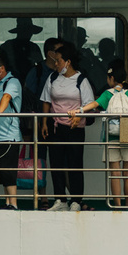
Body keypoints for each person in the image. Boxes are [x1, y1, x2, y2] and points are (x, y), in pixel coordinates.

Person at [40, 48, 97, 210]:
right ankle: (60, 200)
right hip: (56, 127)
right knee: (56, 163)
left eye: (58, 60)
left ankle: (76, 201)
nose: (55, 64)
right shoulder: (52, 78)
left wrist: (79, 115)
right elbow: (46, 101)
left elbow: (89, 104)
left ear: (68, 62)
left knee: (75, 164)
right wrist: (44, 122)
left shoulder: (81, 80)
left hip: (75, 127)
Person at [84, 67, 128, 207]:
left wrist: (78, 110)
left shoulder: (108, 94)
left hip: (112, 136)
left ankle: (117, 206)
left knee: (115, 173)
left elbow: (94, 104)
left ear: (111, 78)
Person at [0, 54, 26, 209]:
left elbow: (7, 97)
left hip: (8, 136)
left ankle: (13, 204)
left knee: (7, 170)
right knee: (0, 171)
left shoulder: (11, 82)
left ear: (1, 69)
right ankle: (7, 202)